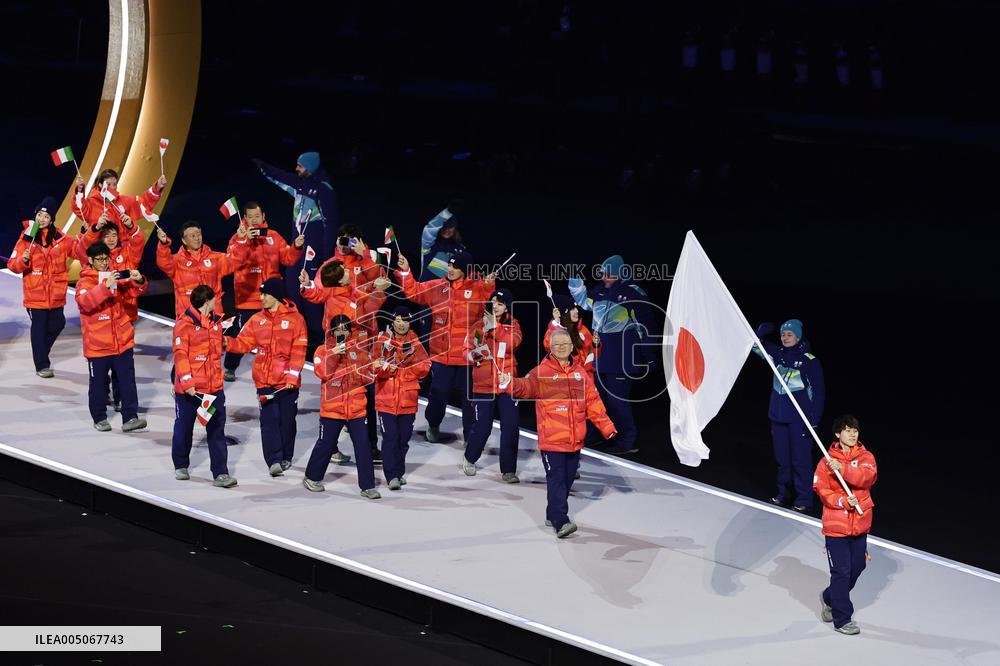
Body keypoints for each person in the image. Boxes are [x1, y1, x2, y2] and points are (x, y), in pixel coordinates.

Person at [500, 330, 617, 538]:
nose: (561, 347)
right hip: (552, 441)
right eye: (557, 345)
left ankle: (551, 512)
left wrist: (607, 428)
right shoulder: (542, 372)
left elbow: (593, 403)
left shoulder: (580, 373)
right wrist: (509, 382)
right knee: (557, 479)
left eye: (565, 344)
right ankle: (560, 521)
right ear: (551, 348)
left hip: (574, 441)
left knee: (568, 479)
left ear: (572, 347)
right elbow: (525, 388)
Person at [396, 251, 495, 444]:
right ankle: (433, 423)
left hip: (468, 357)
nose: (449, 269)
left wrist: (489, 286)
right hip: (441, 357)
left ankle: (470, 437)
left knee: (469, 400)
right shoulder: (437, 286)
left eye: (455, 267)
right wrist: (406, 271)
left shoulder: (478, 288)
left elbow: (492, 309)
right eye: (449, 266)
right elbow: (414, 291)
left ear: (465, 270)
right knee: (438, 394)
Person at [300, 258, 390, 461]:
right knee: (340, 407)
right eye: (345, 271)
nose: (349, 272)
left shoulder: (348, 290)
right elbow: (363, 315)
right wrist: (378, 293)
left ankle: (370, 448)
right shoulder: (336, 300)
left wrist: (376, 288)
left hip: (359, 355)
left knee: (365, 403)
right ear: (339, 280)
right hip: (341, 362)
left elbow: (363, 300)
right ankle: (334, 449)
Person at [568, 255, 658, 454]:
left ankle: (627, 440)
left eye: (609, 273)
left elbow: (646, 326)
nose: (604, 277)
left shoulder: (633, 293)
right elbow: (583, 299)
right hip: (601, 356)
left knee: (617, 401)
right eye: (602, 273)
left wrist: (649, 354)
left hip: (622, 356)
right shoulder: (600, 292)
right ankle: (600, 435)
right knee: (597, 399)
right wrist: (575, 279)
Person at [252, 152, 339, 344]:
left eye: (300, 166)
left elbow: (330, 225)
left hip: (314, 253)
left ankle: (316, 335)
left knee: (310, 292)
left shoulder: (324, 191)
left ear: (310, 167)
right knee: (292, 288)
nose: (296, 168)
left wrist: (327, 258)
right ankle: (296, 329)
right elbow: (280, 177)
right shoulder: (300, 185)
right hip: (296, 250)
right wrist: (264, 166)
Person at [226, 279, 308, 476]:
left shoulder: (297, 320)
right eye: (260, 294)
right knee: (269, 422)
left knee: (287, 422)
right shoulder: (256, 320)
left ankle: (287, 456)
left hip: (288, 383)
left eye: (264, 294)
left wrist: (292, 375)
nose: (260, 298)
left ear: (276, 296)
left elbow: (299, 350)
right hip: (264, 380)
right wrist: (223, 342)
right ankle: (273, 460)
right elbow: (242, 344)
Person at [223, 201, 304, 381]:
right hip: (248, 298)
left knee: (279, 334)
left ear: (264, 217)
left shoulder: (274, 237)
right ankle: (230, 366)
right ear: (244, 219)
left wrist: (297, 247)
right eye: (250, 217)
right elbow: (231, 263)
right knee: (241, 334)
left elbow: (288, 259)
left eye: (257, 216)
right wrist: (244, 240)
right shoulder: (237, 239)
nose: (253, 221)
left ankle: (279, 367)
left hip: (274, 298)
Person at [302, 315, 380, 499]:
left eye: (346, 329)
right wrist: (335, 353)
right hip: (332, 408)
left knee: (363, 445)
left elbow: (367, 377)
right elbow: (323, 373)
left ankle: (368, 486)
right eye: (338, 329)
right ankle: (312, 477)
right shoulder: (322, 351)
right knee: (326, 444)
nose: (342, 332)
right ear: (332, 331)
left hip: (356, 408)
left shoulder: (359, 350)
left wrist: (373, 368)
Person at [75, 243, 148, 432]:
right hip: (98, 347)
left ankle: (130, 417)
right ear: (90, 261)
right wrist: (104, 287)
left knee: (127, 382)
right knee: (98, 385)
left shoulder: (115, 276)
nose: (104, 262)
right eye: (99, 259)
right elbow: (85, 304)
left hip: (122, 342)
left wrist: (139, 280)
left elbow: (134, 291)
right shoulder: (84, 283)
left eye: (106, 258)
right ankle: (99, 417)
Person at [814, 414, 876, 636]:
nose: (852, 434)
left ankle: (829, 597)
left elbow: (866, 478)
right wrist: (842, 501)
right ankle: (842, 619)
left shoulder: (866, 457)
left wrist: (843, 469)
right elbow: (821, 489)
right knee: (841, 572)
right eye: (847, 430)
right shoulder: (825, 461)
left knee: (857, 567)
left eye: (855, 430)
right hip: (836, 526)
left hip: (860, 525)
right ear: (838, 434)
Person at [755, 319, 826, 512]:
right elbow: (755, 346)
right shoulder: (777, 355)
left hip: (799, 421)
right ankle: (783, 494)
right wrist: (759, 334)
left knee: (800, 460)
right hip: (778, 418)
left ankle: (804, 499)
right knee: (782, 460)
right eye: (783, 335)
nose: (785, 338)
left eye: (789, 335)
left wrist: (814, 421)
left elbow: (818, 393)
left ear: (798, 336)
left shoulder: (809, 361)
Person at [171, 285, 237, 488]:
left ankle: (221, 473)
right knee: (184, 429)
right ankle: (181, 465)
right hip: (191, 392)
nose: (217, 302)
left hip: (213, 389)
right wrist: (188, 383)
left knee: (216, 431)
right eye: (214, 299)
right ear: (207, 301)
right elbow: (180, 356)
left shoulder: (216, 323)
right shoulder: (184, 325)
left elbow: (219, 347)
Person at [7, 197, 72, 378]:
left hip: (56, 294)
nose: (41, 219)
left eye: (46, 216)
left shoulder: (61, 238)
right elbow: (13, 264)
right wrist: (24, 260)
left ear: (52, 219)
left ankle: (41, 350)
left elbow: (78, 250)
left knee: (59, 323)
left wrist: (87, 234)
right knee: (39, 328)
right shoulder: (27, 237)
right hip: (35, 294)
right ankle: (42, 365)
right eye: (39, 215)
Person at [463, 288, 523, 482]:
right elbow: (466, 352)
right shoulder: (478, 326)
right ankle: (470, 458)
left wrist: (495, 327)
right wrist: (476, 354)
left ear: (507, 307)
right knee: (483, 426)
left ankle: (508, 470)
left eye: (500, 303)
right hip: (483, 385)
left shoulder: (512, 325)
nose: (496, 306)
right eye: (493, 302)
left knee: (511, 426)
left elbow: (513, 342)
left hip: (506, 384)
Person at [373, 306, 431, 489]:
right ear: (392, 321)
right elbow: (373, 367)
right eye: (398, 320)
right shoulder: (383, 340)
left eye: (405, 320)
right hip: (386, 400)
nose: (401, 324)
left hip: (408, 401)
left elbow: (425, 368)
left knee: (403, 440)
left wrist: (408, 365)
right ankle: (392, 476)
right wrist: (386, 368)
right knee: (390, 438)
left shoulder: (415, 342)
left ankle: (398, 472)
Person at [156, 220, 250, 317]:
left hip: (213, 315)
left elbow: (236, 261)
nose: (197, 238)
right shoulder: (177, 262)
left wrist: (241, 240)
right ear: (184, 240)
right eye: (192, 236)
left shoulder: (215, 258)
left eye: (199, 234)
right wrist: (163, 244)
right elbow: (163, 262)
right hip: (188, 317)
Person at [71, 169, 166, 233]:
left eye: (114, 184)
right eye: (108, 184)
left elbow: (144, 203)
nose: (112, 187)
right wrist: (79, 190)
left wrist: (158, 187)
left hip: (122, 251)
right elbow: (78, 206)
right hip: (100, 252)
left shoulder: (123, 200)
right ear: (100, 185)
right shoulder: (90, 203)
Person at [543, 295, 598, 375]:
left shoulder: (583, 330)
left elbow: (594, 354)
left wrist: (596, 344)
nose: (577, 311)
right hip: (564, 379)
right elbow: (548, 346)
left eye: (576, 308)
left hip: (585, 379)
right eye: (572, 309)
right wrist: (556, 324)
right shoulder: (554, 329)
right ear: (565, 312)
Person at [419, 200, 466, 280]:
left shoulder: (460, 249)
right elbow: (429, 229)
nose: (447, 230)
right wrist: (447, 212)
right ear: (439, 228)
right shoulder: (429, 244)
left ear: (455, 228)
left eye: (450, 227)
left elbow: (462, 274)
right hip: (425, 289)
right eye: (444, 227)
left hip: (447, 291)